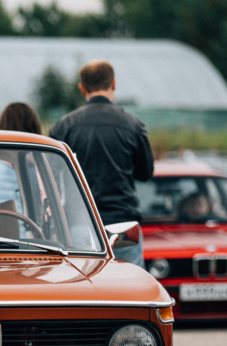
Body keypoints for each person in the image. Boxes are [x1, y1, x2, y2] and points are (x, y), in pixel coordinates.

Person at [49, 61, 154, 267]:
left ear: (82, 88)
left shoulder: (63, 126)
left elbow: (51, 177)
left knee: (85, 279)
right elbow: (145, 172)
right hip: (123, 221)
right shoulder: (133, 124)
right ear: (113, 83)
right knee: (129, 280)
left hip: (80, 222)